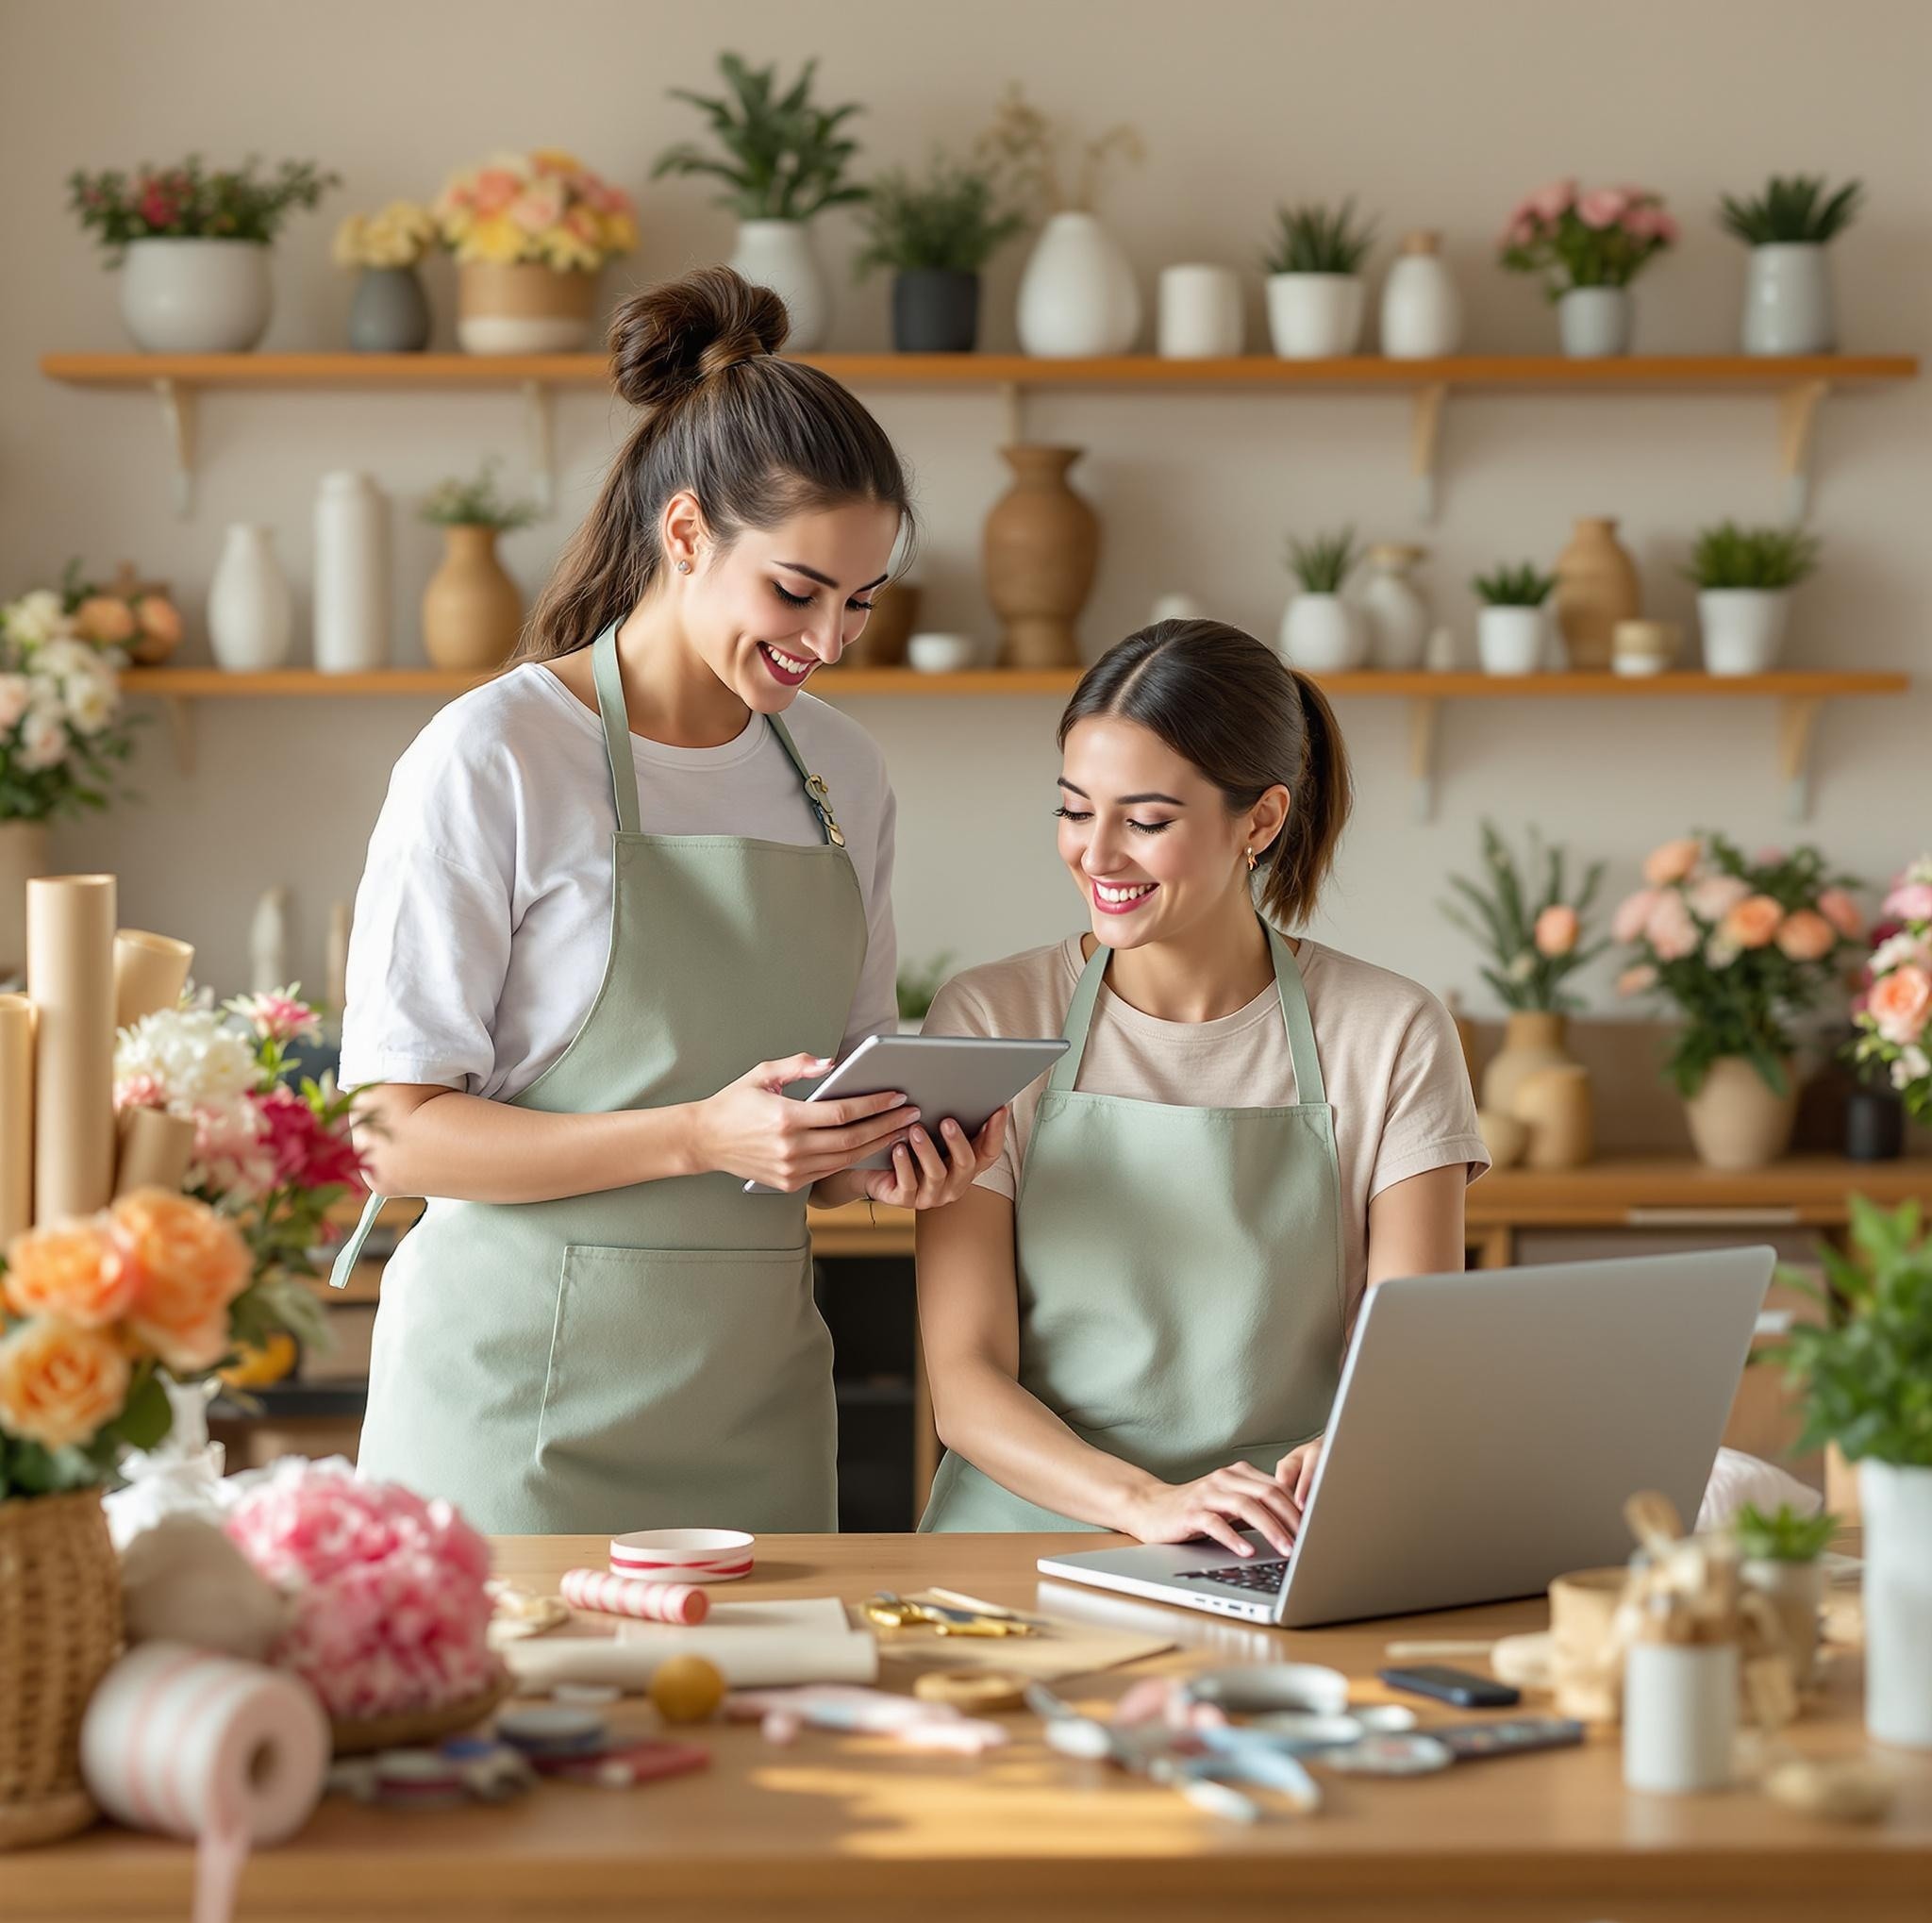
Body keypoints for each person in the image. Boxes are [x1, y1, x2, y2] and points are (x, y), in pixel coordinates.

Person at [333, 267, 1003, 1535]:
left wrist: (885, 1161)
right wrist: (696, 1135)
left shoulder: (844, 773)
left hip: (751, 1412)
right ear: (687, 535)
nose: (829, 639)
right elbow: (393, 1136)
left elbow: (822, 1120)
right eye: (797, 591)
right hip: (511, 1418)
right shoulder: (498, 754)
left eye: (859, 602)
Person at [916, 618, 1489, 1549]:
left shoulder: (1388, 1031)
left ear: (1258, 820)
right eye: (1072, 808)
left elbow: (1403, 1372)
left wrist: (1327, 1463)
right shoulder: (993, 1015)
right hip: (1029, 1530)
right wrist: (1145, 1503)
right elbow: (966, 1378)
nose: (1095, 854)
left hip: (1276, 1534)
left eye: (1144, 821)